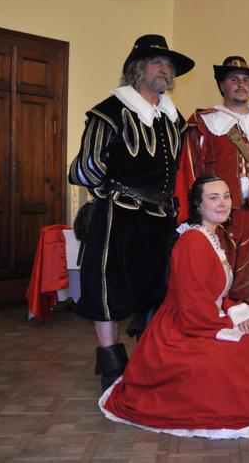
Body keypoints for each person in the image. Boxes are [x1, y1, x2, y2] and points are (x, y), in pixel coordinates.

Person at [99, 175, 249, 438]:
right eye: (213, 198)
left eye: (226, 196)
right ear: (198, 204)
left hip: (204, 315)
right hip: (183, 328)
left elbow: (215, 292)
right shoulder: (192, 242)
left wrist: (235, 312)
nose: (223, 203)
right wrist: (229, 325)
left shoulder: (211, 236)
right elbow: (193, 304)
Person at [68, 35, 194, 391]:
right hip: (119, 216)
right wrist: (110, 193)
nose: (164, 70)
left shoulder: (173, 118)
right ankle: (111, 364)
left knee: (155, 288)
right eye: (157, 62)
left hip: (161, 217)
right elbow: (86, 167)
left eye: (168, 66)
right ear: (137, 69)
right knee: (109, 288)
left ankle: (149, 359)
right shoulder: (109, 111)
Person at [174, 56, 249, 309]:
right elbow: (189, 171)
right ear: (222, 85)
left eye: (245, 80)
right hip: (216, 217)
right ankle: (218, 323)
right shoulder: (203, 123)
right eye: (233, 79)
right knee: (215, 275)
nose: (241, 84)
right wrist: (190, 216)